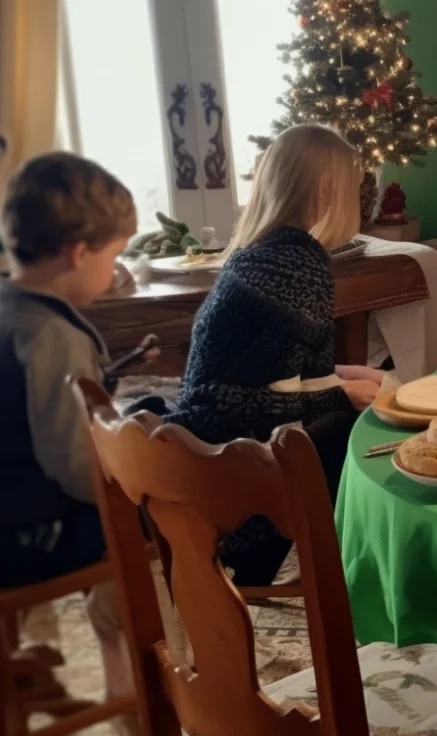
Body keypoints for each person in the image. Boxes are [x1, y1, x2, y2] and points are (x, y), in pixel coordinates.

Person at [166, 124, 383, 586]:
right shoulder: (298, 262)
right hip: (232, 459)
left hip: (198, 442)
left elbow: (288, 370)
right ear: (327, 191)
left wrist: (349, 375)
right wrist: (345, 396)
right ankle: (350, 574)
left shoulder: (255, 251)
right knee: (366, 433)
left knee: (358, 405)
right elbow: (243, 399)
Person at [0, 152, 142, 736]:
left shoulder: (10, 310)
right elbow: (76, 468)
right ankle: (135, 697)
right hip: (28, 537)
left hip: (10, 519)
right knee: (150, 519)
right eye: (114, 257)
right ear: (80, 252)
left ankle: (43, 652)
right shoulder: (55, 335)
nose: (114, 271)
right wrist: (137, 476)